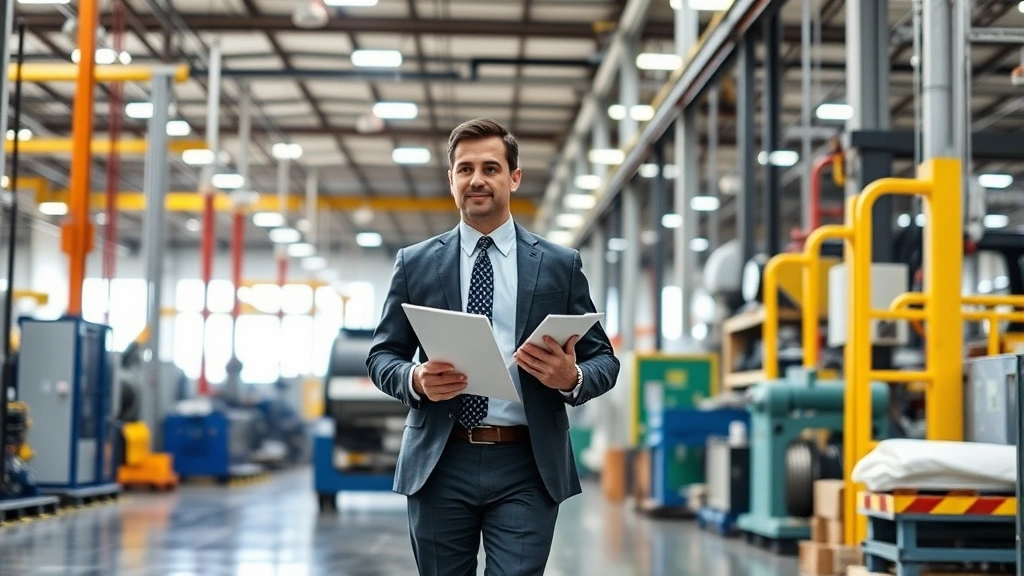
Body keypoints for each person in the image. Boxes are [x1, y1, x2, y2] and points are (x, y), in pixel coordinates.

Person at [367, 118, 620, 576]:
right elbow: (382, 355)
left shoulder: (559, 266)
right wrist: (415, 379)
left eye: (490, 167)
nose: (477, 179)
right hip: (440, 460)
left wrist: (573, 378)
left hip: (527, 462)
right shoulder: (416, 264)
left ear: (514, 177)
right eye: (464, 169)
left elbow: (605, 359)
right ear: (451, 180)